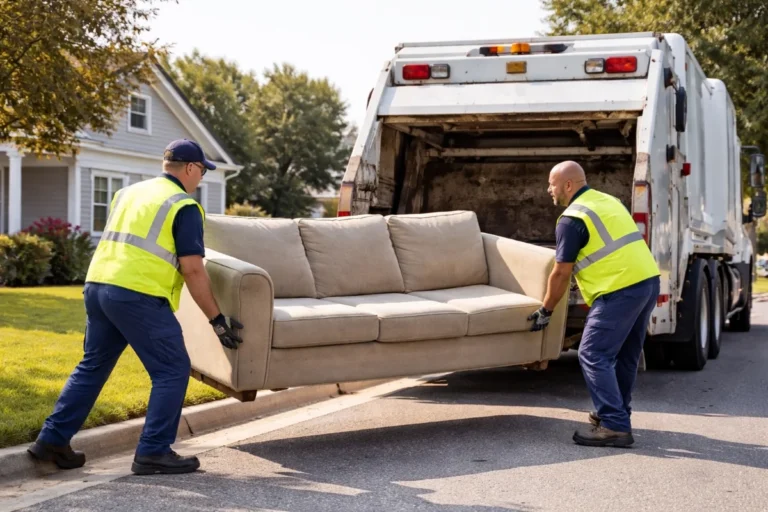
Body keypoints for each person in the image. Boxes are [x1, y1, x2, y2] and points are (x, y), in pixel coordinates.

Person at [28, 139, 245, 475]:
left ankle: (52, 440)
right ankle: (153, 451)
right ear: (190, 168)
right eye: (202, 171)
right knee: (172, 369)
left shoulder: (128, 193)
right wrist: (217, 320)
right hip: (137, 294)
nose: (201, 178)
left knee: (93, 365)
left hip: (98, 286)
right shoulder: (183, 206)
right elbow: (192, 269)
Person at [528, 160, 660, 447]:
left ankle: (614, 425)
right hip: (647, 282)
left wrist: (546, 309)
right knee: (624, 356)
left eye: (551, 183)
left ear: (567, 185)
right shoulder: (608, 200)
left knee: (592, 353)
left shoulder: (572, 219)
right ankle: (616, 414)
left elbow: (561, 272)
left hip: (619, 289)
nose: (548, 189)